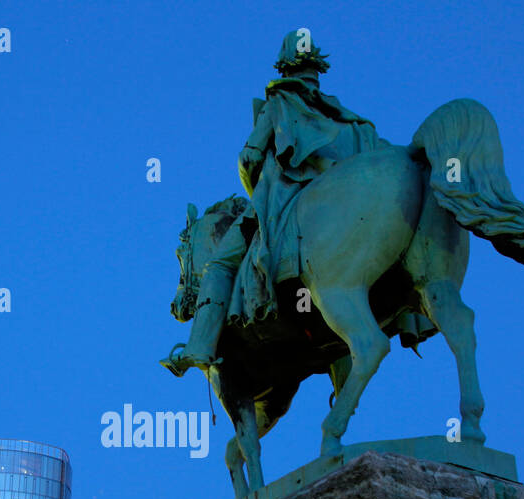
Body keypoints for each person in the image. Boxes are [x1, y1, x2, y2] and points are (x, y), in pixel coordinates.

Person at [162, 31, 384, 377]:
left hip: (285, 197)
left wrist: (257, 194)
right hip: (343, 215)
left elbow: (249, 158)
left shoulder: (280, 102)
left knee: (219, 265)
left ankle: (199, 347)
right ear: (317, 65)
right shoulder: (346, 118)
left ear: (284, 63)